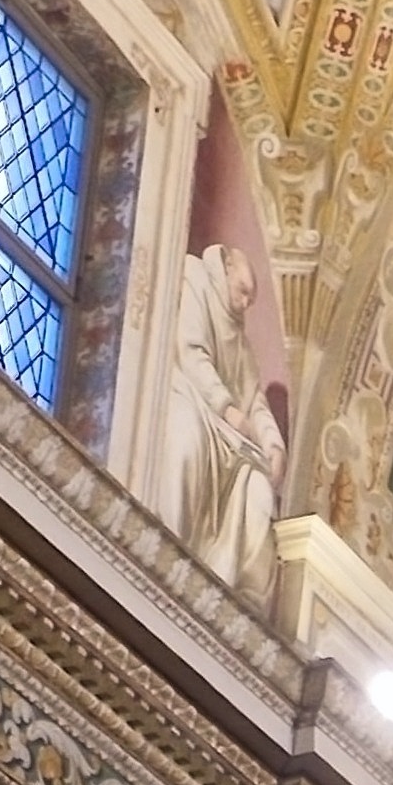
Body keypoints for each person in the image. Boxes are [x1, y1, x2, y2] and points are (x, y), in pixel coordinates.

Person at [165, 242, 285, 592]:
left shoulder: (242, 344)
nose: (246, 303)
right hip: (188, 398)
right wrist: (225, 407)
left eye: (251, 299)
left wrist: (274, 446)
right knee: (186, 442)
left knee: (261, 494)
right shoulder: (195, 279)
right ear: (227, 265)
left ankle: (231, 593)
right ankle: (169, 549)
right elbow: (190, 351)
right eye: (244, 291)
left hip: (229, 437)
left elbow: (255, 401)